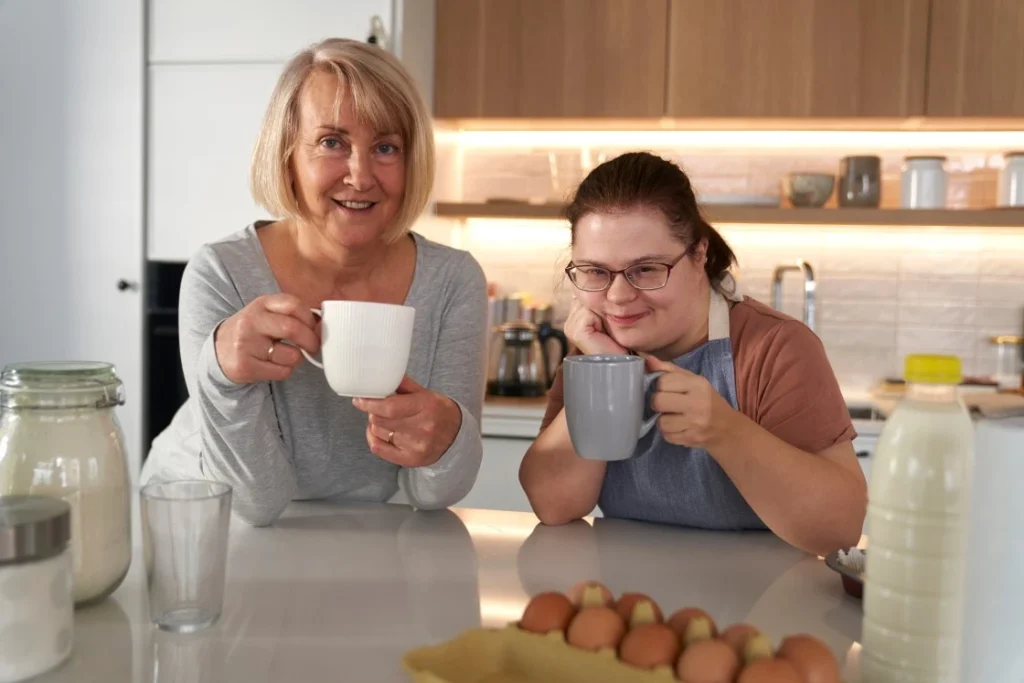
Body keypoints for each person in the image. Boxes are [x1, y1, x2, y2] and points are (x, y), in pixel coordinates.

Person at [142, 38, 488, 527]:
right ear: (287, 154)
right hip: (203, 519)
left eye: (386, 147)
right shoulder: (221, 272)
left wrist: (448, 434)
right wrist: (221, 373)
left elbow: (433, 493)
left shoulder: (452, 280)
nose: (360, 175)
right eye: (332, 142)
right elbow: (255, 502)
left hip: (361, 529)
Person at [519, 152, 866, 556]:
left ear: (699, 254)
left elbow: (839, 530)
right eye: (595, 272)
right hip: (628, 599)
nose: (617, 297)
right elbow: (554, 504)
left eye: (646, 269)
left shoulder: (774, 347)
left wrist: (725, 431)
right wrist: (604, 365)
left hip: (763, 604)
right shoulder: (594, 345)